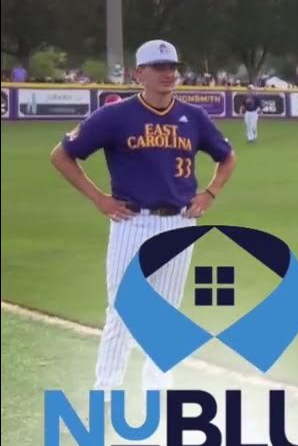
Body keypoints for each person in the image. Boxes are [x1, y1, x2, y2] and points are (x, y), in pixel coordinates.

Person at [50, 39, 237, 394]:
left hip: (180, 222)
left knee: (166, 317)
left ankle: (159, 395)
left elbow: (227, 157)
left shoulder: (192, 117)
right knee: (122, 313)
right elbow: (62, 155)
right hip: (132, 222)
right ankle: (106, 395)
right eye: (158, 67)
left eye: (172, 67)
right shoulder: (114, 116)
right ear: (139, 73)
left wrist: (210, 193)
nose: (168, 74)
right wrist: (98, 198)